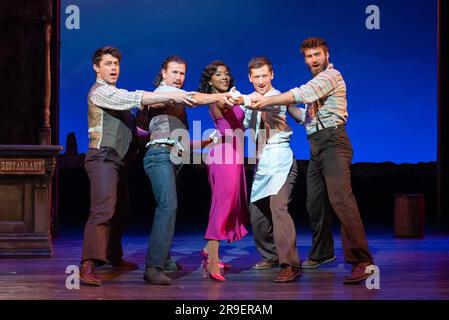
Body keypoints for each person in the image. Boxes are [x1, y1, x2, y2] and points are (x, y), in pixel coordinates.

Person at [251, 37, 375, 284]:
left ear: (327, 55)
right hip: (316, 144)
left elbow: (302, 93)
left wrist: (267, 100)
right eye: (308, 57)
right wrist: (280, 111)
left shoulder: (331, 76)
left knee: (341, 199)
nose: (313, 60)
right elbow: (304, 116)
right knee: (314, 202)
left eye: (317, 54)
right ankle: (323, 252)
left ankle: (363, 261)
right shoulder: (316, 83)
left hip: (333, 142)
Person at [80, 46, 195, 286]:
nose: (113, 68)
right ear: (96, 67)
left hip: (120, 161)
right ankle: (88, 264)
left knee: (120, 210)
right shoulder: (100, 92)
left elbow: (137, 133)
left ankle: (114, 256)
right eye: (108, 64)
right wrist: (172, 95)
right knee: (103, 209)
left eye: (116, 64)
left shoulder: (114, 94)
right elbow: (134, 97)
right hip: (103, 156)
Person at [137, 56, 236, 285]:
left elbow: (177, 139)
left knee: (167, 207)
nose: (179, 78)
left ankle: (166, 259)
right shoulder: (160, 94)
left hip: (172, 156)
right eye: (174, 72)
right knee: (168, 206)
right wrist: (221, 95)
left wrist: (202, 145)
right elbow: (189, 98)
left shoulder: (175, 102)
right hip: (159, 156)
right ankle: (153, 267)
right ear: (163, 73)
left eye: (182, 73)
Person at [239, 57, 301, 282]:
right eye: (256, 77)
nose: (261, 80)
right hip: (262, 164)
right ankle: (272, 255)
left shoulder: (278, 98)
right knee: (257, 213)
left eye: (265, 75)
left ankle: (290, 264)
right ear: (250, 78)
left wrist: (245, 99)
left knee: (278, 207)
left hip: (281, 160)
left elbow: (269, 104)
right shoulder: (250, 102)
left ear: (272, 75)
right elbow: (243, 123)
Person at [196, 60, 250, 282]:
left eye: (226, 74)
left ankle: (209, 251)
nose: (224, 77)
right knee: (222, 206)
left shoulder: (228, 97)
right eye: (218, 75)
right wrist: (234, 98)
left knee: (229, 205)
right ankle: (211, 262)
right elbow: (226, 108)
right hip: (224, 155)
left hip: (234, 155)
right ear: (210, 80)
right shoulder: (219, 100)